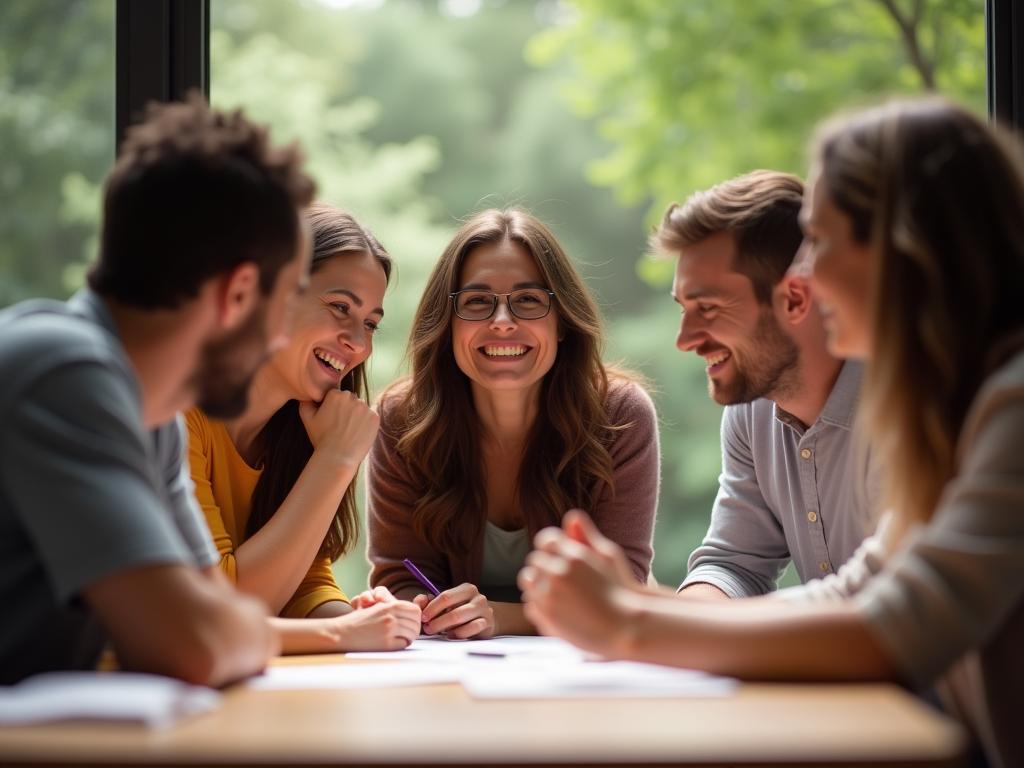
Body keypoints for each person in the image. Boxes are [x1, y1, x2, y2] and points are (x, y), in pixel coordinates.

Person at [520, 98, 1024, 768]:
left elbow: (900, 627)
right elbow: (859, 590)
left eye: (827, 240)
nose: (810, 277)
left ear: (905, 249)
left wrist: (630, 623)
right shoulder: (951, 406)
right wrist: (639, 604)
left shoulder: (1011, 403)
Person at [0, 97, 317, 685]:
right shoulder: (62, 371)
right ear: (239, 292)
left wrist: (223, 625)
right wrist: (225, 626)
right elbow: (194, 644)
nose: (281, 338)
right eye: (290, 299)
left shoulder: (155, 415)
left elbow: (213, 612)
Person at [367, 208, 659, 639]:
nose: (502, 323)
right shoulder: (400, 419)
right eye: (477, 302)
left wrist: (498, 618)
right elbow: (400, 578)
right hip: (449, 677)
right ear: (447, 325)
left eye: (528, 300)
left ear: (561, 322)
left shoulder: (620, 415)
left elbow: (621, 589)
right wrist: (425, 608)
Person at [186, 203, 420, 653]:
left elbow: (303, 585)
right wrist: (335, 461)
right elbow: (222, 612)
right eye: (339, 308)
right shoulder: (179, 417)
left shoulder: (300, 429)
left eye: (370, 323)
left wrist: (365, 616)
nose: (358, 343)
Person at [656, 170, 876, 599]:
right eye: (684, 308)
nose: (684, 340)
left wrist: (646, 618)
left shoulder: (905, 401)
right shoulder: (750, 407)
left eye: (708, 307)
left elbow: (884, 605)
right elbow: (733, 563)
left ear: (794, 298)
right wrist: (680, 615)